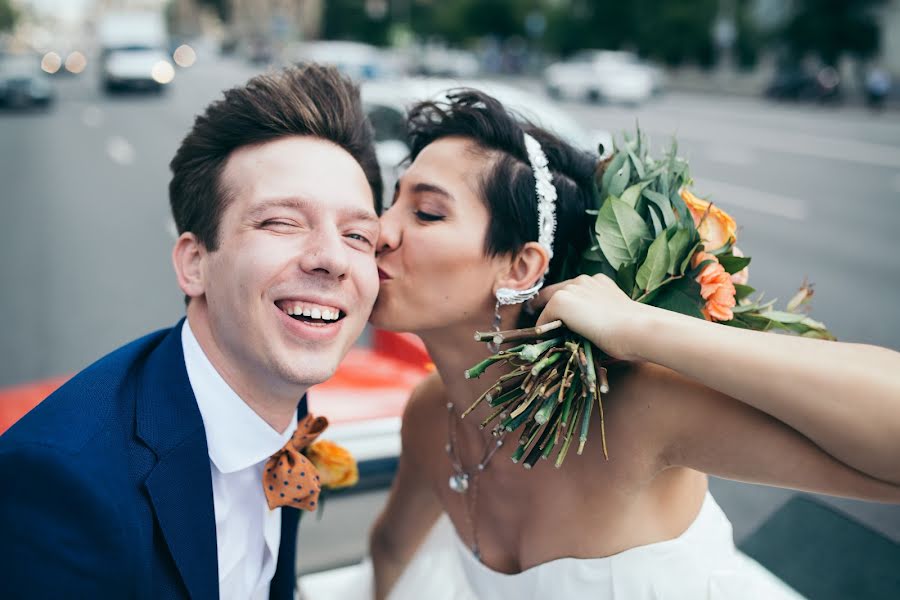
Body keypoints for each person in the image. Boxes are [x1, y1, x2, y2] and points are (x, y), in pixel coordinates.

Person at [365, 89, 900, 599]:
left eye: (428, 213)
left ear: (521, 266)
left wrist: (640, 327)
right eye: (391, 202)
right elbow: (390, 550)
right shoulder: (430, 415)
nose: (379, 231)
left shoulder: (629, 407)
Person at [0, 64, 383, 599]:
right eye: (281, 222)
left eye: (358, 235)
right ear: (195, 263)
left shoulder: (281, 400)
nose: (332, 259)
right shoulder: (64, 484)